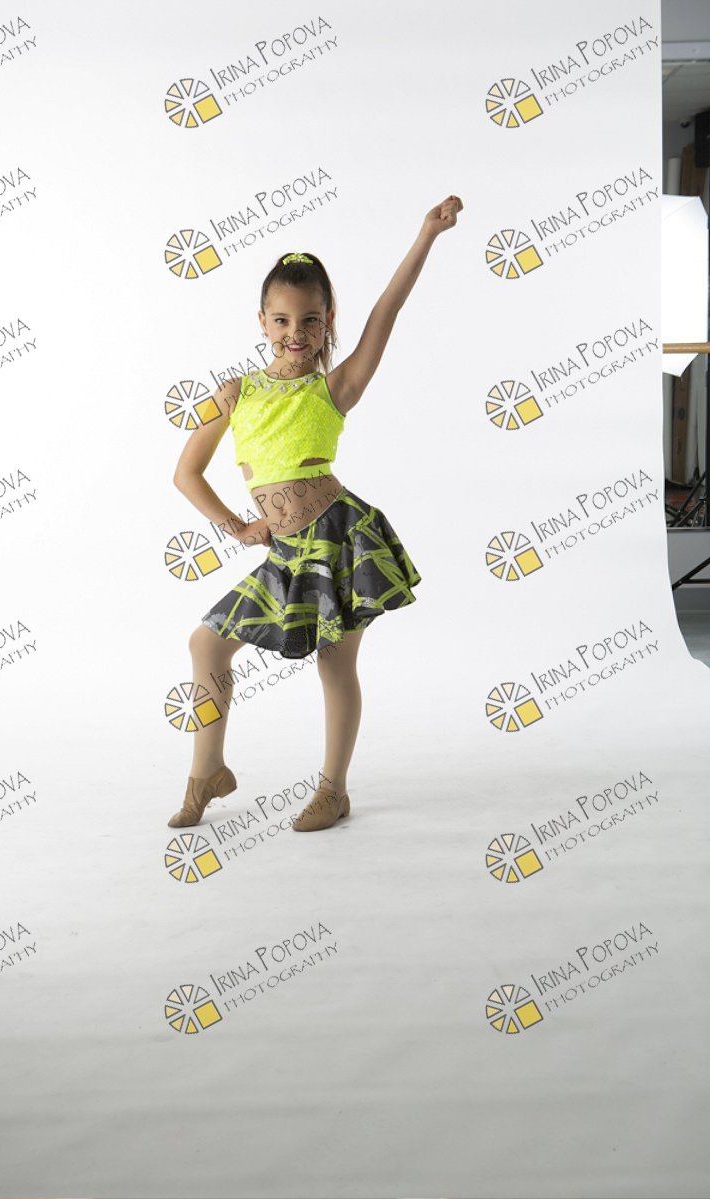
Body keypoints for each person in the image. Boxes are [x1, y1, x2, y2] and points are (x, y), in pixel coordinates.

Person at [170, 195, 464, 831]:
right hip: (283, 553)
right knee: (206, 644)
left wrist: (426, 234)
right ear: (261, 321)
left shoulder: (334, 387)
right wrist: (238, 526)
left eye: (309, 319)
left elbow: (387, 311)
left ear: (328, 320)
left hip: (339, 538)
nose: (295, 333)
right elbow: (185, 474)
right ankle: (207, 771)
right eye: (281, 320)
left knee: (335, 662)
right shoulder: (236, 392)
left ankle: (334, 789)